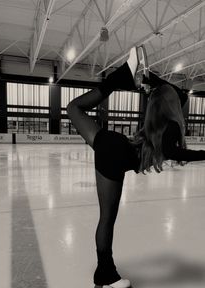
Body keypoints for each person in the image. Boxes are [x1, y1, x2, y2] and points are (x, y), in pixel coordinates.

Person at [66, 46, 205, 288]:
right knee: (107, 218)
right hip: (115, 153)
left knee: (73, 108)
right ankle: (106, 277)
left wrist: (149, 78)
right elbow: (172, 151)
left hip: (112, 144)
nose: (184, 104)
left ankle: (121, 77)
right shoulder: (170, 124)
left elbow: (177, 94)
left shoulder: (159, 119)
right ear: (173, 103)